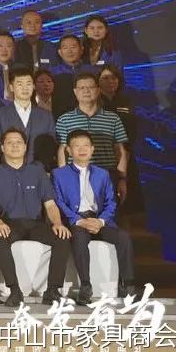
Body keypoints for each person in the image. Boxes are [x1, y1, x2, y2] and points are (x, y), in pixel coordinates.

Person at [0, 128, 72, 306]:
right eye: (10, 142)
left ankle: (52, 290)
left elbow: (50, 204)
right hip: (9, 223)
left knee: (62, 237)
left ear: (25, 147)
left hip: (35, 224)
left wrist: (57, 223)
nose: (15, 146)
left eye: (19, 142)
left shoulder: (38, 172)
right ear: (2, 148)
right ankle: (15, 290)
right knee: (0, 237)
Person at [52, 130, 137, 304]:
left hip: (99, 220)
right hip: (76, 221)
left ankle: (128, 285)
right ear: (69, 150)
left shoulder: (102, 174)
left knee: (123, 237)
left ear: (92, 149)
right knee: (79, 239)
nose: (82, 149)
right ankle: (85, 286)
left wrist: (100, 221)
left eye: (86, 146)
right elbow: (58, 202)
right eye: (76, 146)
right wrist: (79, 220)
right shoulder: (59, 174)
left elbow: (111, 201)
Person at [55, 73, 130, 203]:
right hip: (75, 178)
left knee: (110, 214)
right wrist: (63, 179)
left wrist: (122, 179)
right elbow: (62, 151)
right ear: (75, 92)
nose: (86, 91)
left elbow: (120, 151)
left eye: (90, 87)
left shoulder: (112, 118)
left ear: (98, 90)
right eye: (81, 88)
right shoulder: (64, 120)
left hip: (107, 177)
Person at [0, 67, 57, 169]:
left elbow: (51, 145)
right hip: (9, 170)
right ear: (11, 87)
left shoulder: (46, 116)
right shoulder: (0, 115)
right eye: (20, 84)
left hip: (39, 171)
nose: (25, 88)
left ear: (34, 86)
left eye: (28, 84)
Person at [98, 65, 143, 212]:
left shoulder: (126, 101)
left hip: (127, 153)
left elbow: (133, 127)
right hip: (105, 155)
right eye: (105, 78)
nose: (110, 81)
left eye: (114, 78)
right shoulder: (95, 103)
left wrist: (126, 149)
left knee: (130, 197)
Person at [51, 35, 86, 115]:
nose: (69, 51)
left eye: (73, 47)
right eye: (65, 48)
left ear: (81, 50)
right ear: (60, 52)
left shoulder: (93, 71)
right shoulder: (52, 73)